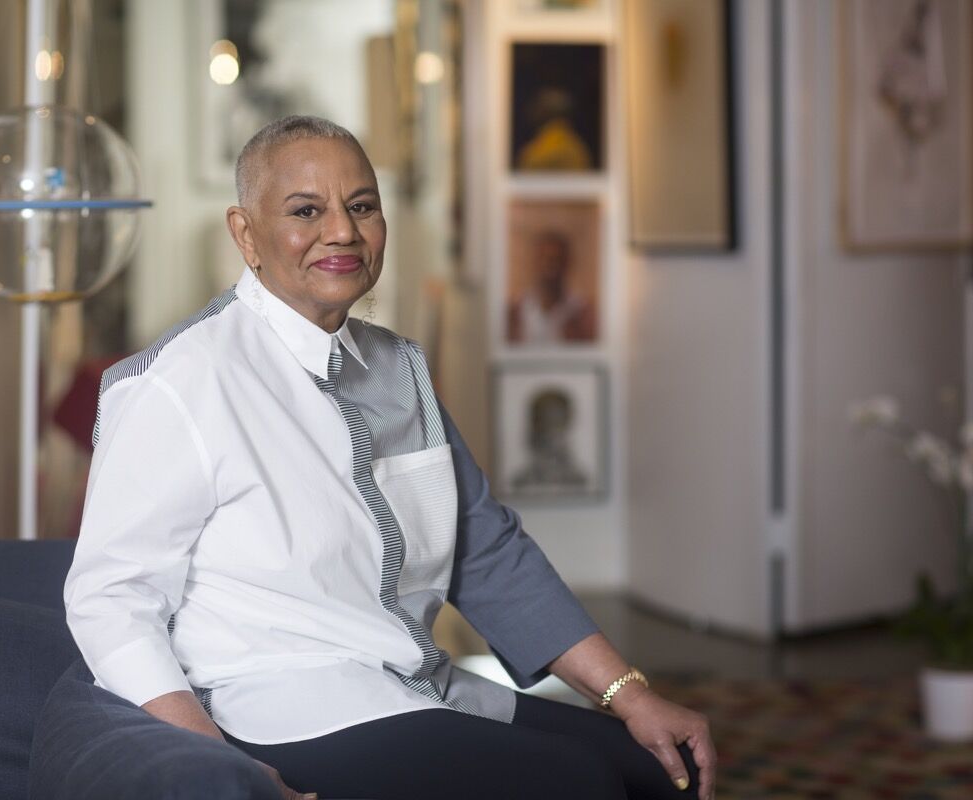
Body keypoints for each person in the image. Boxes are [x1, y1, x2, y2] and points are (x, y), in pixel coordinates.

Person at [65, 115, 715, 800]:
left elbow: (484, 547)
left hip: (410, 685)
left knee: (662, 770)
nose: (342, 231)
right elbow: (110, 598)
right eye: (305, 211)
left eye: (362, 206)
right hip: (284, 706)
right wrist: (214, 763)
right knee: (579, 784)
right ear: (245, 233)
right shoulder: (178, 382)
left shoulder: (398, 366)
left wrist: (629, 694)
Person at [506, 229, 596, 344]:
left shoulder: (583, 312)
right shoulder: (516, 311)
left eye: (557, 259)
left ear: (567, 263)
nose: (550, 265)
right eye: (544, 258)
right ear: (535, 262)